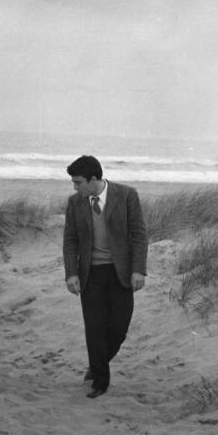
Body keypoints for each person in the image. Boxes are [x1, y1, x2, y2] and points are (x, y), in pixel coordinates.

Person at [63, 155, 148, 398]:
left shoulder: (127, 195)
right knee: (95, 328)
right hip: (91, 274)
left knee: (119, 329)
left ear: (93, 179)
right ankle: (100, 381)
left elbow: (139, 235)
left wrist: (138, 269)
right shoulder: (75, 203)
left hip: (120, 273)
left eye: (78, 182)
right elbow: (70, 241)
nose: (75, 187)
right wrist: (71, 274)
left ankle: (97, 362)